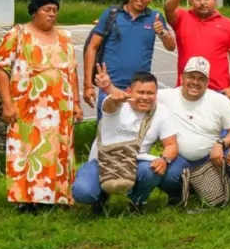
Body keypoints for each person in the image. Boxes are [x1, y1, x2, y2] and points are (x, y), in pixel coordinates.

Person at [0, 0, 82, 213]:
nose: (52, 14)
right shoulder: (18, 34)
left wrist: (77, 103)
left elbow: (71, 72)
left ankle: (58, 197)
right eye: (46, 10)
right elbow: (2, 68)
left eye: (55, 10)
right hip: (28, 106)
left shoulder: (64, 37)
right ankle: (28, 200)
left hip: (60, 108)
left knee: (57, 150)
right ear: (34, 11)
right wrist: (6, 103)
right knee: (30, 149)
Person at [72, 69, 178, 214]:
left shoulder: (161, 111)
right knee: (82, 192)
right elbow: (111, 104)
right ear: (129, 91)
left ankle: (137, 202)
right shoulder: (115, 104)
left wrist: (164, 160)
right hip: (102, 161)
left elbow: (171, 144)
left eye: (150, 93)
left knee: (151, 171)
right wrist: (110, 91)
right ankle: (100, 198)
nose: (145, 97)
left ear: (156, 94)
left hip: (135, 161)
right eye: (140, 92)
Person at [83, 0, 176, 120]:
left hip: (140, 91)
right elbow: (92, 47)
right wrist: (88, 85)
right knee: (106, 134)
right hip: (108, 87)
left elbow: (171, 47)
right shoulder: (111, 15)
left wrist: (163, 32)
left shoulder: (155, 18)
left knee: (137, 136)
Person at [157, 57, 230, 202]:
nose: (195, 82)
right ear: (182, 78)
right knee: (166, 176)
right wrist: (109, 89)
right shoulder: (165, 96)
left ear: (207, 83)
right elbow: (138, 97)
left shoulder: (219, 100)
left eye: (201, 78)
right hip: (180, 158)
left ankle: (223, 185)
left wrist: (221, 144)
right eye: (191, 77)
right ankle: (180, 193)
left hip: (211, 158)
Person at [164, 0, 230, 106]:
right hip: (187, 91)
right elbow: (168, 9)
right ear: (191, 0)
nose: (202, 2)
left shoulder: (228, 25)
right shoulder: (182, 18)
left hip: (220, 92)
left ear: (215, 0)